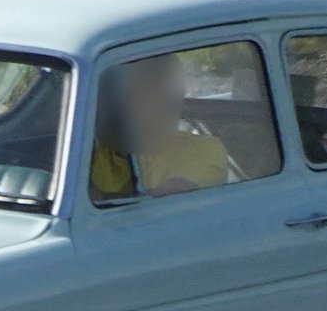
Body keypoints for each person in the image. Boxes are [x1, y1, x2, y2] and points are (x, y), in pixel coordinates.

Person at [90, 53, 228, 201]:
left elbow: (163, 202)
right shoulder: (94, 155)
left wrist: (94, 198)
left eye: (145, 92)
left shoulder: (203, 149)